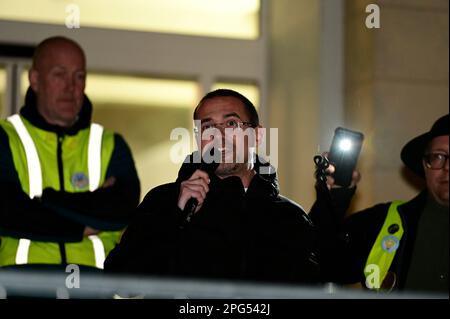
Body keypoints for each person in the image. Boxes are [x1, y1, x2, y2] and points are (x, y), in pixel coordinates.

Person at [104, 89, 320, 285]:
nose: (218, 137)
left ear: (257, 135)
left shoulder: (288, 216)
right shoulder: (164, 201)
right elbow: (120, 281)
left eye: (231, 124)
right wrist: (175, 216)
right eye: (208, 127)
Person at [0, 36, 140, 270]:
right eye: (59, 74)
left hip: (93, 288)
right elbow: (8, 210)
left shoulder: (109, 144)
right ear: (35, 79)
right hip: (22, 285)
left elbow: (120, 209)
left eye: (79, 76)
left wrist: (44, 200)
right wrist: (83, 226)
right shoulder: (6, 137)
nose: (71, 87)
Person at [310, 114, 448, 294]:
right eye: (438, 156)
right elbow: (316, 264)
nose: (447, 167)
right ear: (424, 164)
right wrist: (334, 197)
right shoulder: (385, 223)